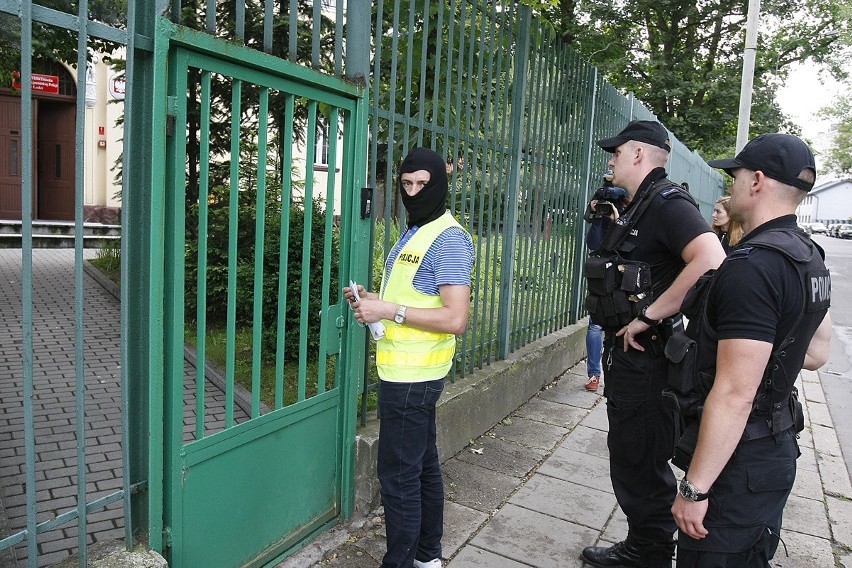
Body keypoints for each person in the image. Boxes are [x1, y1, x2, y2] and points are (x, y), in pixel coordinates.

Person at [671, 133, 832, 567]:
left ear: (757, 180)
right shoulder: (809, 256)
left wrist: (694, 489)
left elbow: (736, 393)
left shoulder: (754, 265)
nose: (733, 184)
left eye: (737, 174)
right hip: (773, 453)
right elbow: (816, 352)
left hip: (737, 462)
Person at [581, 120, 726, 568]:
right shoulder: (637, 204)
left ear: (639, 154)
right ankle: (648, 542)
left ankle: (650, 551)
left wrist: (650, 314)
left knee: (639, 456)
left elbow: (710, 258)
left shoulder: (666, 202)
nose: (611, 160)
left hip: (647, 361)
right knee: (632, 453)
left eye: (617, 152)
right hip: (631, 357)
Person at [343, 147, 474, 568]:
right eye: (406, 184)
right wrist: (373, 302)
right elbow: (411, 299)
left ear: (439, 184)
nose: (414, 192)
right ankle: (427, 558)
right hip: (408, 373)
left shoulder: (448, 238)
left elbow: (456, 318)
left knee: (398, 479)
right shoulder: (416, 229)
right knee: (422, 469)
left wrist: (387, 310)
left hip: (413, 379)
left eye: (423, 184)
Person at [582, 178, 630, 392]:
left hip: (622, 274)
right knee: (595, 324)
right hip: (600, 274)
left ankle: (616, 368)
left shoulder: (630, 207)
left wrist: (616, 219)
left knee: (618, 324)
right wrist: (596, 215)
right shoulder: (600, 209)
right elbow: (593, 244)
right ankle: (594, 374)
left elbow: (621, 244)